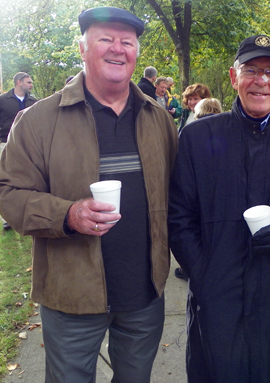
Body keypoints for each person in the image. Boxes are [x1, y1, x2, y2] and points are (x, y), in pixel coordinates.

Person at [0, 7, 178, 383]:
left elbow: (177, 194)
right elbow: (9, 193)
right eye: (105, 39)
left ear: (135, 53)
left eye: (127, 42)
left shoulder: (158, 119)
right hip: (71, 296)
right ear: (82, 48)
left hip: (144, 293)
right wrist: (67, 215)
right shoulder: (38, 120)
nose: (118, 49)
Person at [168, 35, 270, 383]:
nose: (261, 80)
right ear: (233, 76)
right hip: (216, 292)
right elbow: (178, 216)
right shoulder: (197, 138)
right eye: (251, 69)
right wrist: (203, 272)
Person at [0, 72, 37, 230]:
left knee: (28, 178)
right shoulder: (2, 101)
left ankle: (30, 213)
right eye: (28, 82)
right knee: (5, 179)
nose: (31, 84)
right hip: (5, 143)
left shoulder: (34, 102)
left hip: (28, 145)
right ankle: (6, 219)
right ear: (18, 83)